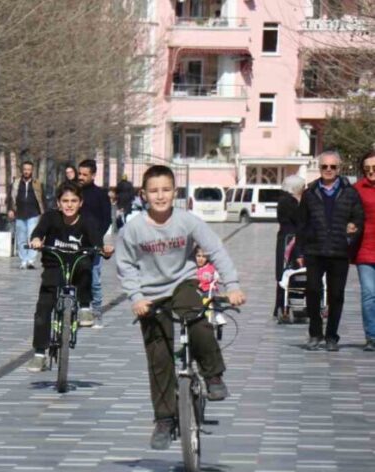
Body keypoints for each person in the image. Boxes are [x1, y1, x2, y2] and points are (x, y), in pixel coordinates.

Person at [116, 165, 245, 451]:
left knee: (197, 319)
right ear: (143, 195)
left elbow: (215, 250)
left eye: (165, 190)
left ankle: (213, 376)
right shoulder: (133, 229)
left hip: (181, 285)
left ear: (175, 192)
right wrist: (136, 297)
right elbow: (125, 265)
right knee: (159, 357)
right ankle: (164, 419)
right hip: (150, 294)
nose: (160, 196)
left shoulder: (187, 221)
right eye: (153, 191)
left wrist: (232, 285)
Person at [27, 183, 113, 372]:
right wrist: (35, 240)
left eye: (74, 201)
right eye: (65, 201)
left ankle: (84, 307)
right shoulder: (50, 218)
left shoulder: (87, 221)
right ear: (58, 203)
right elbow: (39, 232)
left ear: (80, 203)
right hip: (53, 266)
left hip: (77, 267)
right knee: (43, 308)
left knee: (84, 265)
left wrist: (104, 249)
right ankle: (39, 354)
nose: (69, 205)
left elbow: (97, 242)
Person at [297, 150, 366, 352]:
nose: (328, 170)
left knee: (336, 295)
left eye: (333, 167)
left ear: (339, 168)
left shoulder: (350, 192)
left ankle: (331, 336)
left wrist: (350, 233)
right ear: (319, 168)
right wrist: (300, 252)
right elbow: (301, 224)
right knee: (312, 291)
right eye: (324, 166)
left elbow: (359, 218)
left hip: (339, 251)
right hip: (314, 250)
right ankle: (315, 333)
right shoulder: (309, 193)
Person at [77, 159, 113, 328]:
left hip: (94, 244)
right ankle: (79, 311)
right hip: (75, 242)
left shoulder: (100, 195)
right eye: (80, 173)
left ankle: (97, 314)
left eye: (85, 174)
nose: (81, 177)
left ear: (93, 175)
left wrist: (97, 237)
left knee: (95, 280)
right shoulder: (74, 192)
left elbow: (107, 219)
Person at [275, 174, 305, 321]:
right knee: (288, 271)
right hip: (290, 240)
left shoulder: (284, 199)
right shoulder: (289, 201)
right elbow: (299, 219)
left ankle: (282, 305)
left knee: (285, 272)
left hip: (286, 238)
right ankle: (282, 306)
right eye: (302, 187)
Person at [354, 149, 375, 352]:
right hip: (365, 249)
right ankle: (371, 336)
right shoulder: (357, 189)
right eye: (367, 168)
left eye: (374, 168)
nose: (370, 171)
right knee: (369, 294)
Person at [7, 160, 45, 269]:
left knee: (32, 237)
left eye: (29, 169)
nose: (27, 171)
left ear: (32, 170)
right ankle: (23, 260)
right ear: (22, 170)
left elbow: (42, 199)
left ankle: (31, 260)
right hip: (20, 214)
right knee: (21, 238)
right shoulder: (16, 183)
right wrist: (10, 209)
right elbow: (11, 197)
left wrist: (44, 213)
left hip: (34, 214)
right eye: (25, 169)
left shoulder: (38, 183)